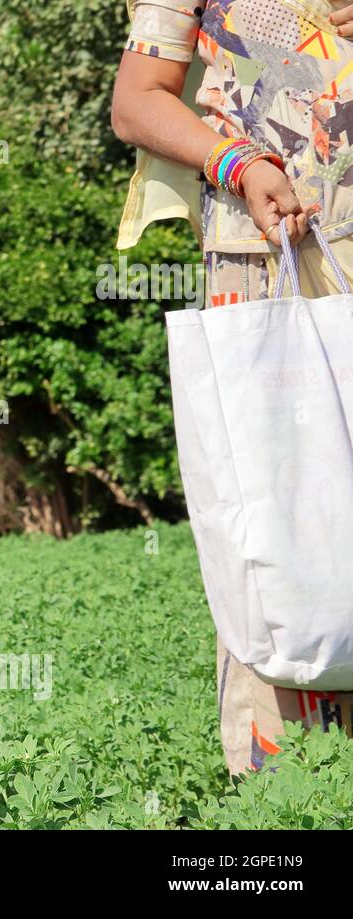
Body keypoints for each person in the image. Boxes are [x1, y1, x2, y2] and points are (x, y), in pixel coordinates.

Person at [111, 0, 353, 776]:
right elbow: (137, 98)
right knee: (282, 513)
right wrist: (240, 165)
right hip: (272, 250)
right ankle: (290, 800)